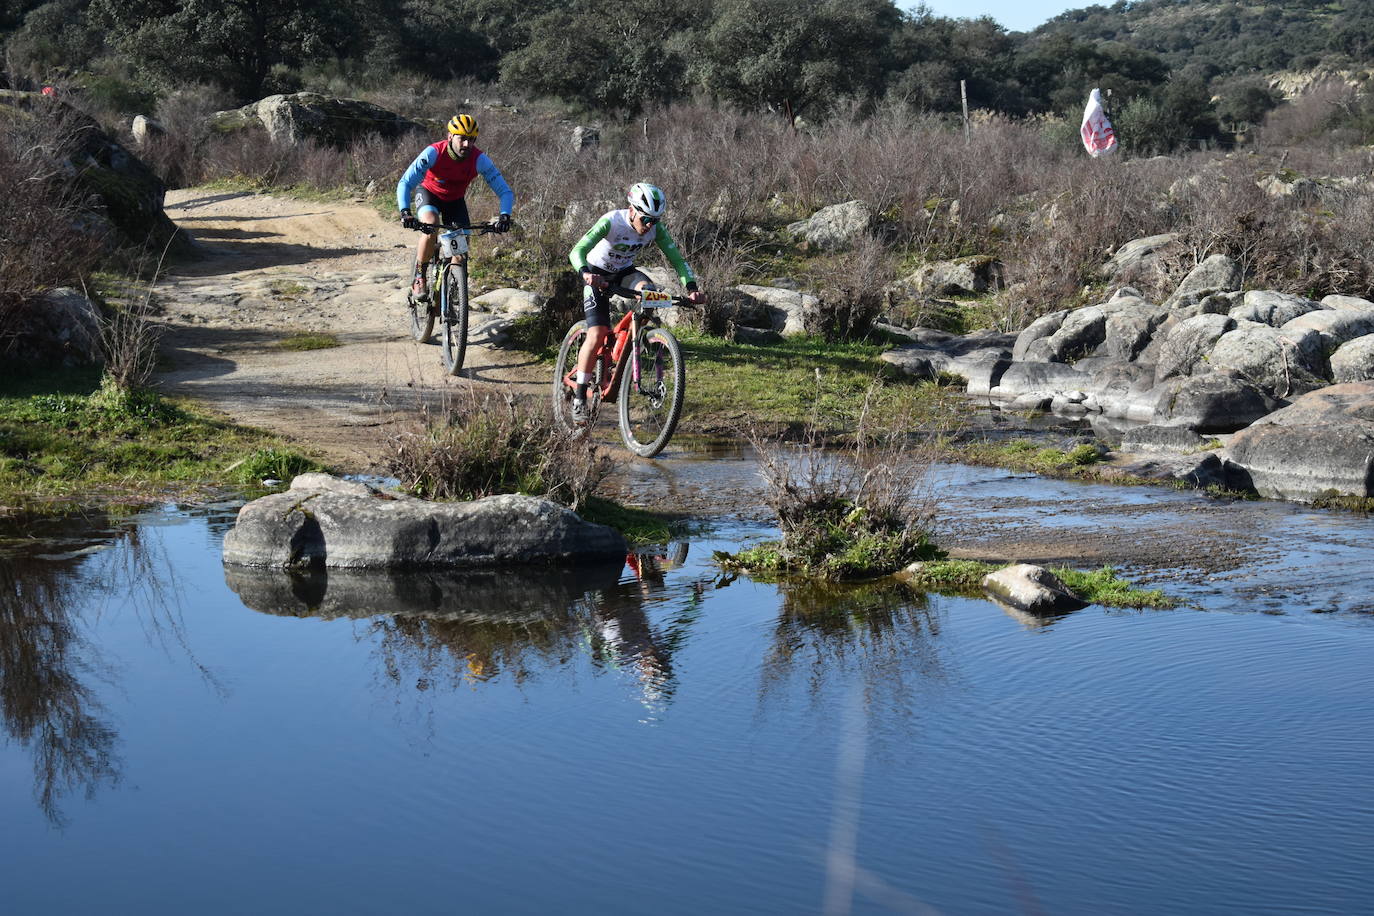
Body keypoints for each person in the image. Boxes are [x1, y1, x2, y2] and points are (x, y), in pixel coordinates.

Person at [566, 182, 707, 422]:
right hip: (596, 274)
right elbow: (577, 251)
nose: (651, 225)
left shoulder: (655, 229)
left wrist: (692, 288)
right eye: (646, 219)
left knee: (649, 294)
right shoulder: (612, 221)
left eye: (656, 220)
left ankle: (632, 346)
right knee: (597, 332)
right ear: (632, 211)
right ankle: (580, 395)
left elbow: (677, 260)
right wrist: (585, 274)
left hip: (624, 273)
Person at [396, 113, 514, 300]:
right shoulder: (433, 153)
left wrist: (505, 216)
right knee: (431, 225)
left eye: (471, 140)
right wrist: (405, 212)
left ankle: (451, 293)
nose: (467, 144)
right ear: (450, 137)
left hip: (454, 201)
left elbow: (505, 192)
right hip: (429, 194)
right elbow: (405, 182)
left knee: (460, 252)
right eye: (463, 139)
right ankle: (419, 276)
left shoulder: (479, 159)